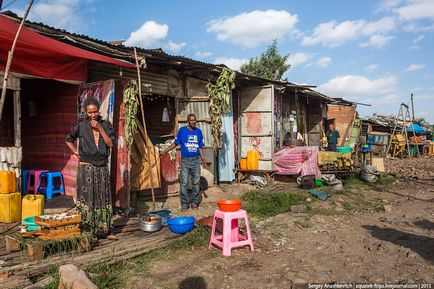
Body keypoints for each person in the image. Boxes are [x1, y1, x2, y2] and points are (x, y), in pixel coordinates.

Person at [66, 97, 116, 238]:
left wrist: (99, 128)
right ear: (85, 112)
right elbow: (69, 139)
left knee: (102, 196)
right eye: (90, 112)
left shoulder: (106, 125)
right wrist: (75, 151)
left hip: (102, 165)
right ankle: (88, 231)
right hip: (86, 166)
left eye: (95, 111)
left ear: (99, 111)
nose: (93, 114)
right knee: (88, 198)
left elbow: (110, 144)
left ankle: (104, 230)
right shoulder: (80, 126)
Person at [160, 114, 207, 211]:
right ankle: (185, 203)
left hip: (195, 160)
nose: (194, 122)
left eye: (195, 120)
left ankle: (194, 202)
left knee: (196, 182)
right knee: (184, 183)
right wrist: (165, 151)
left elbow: (200, 146)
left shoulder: (198, 132)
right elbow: (175, 143)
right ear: (188, 121)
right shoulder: (182, 131)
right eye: (192, 120)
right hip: (185, 160)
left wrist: (203, 159)